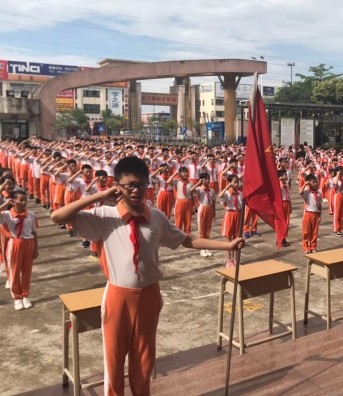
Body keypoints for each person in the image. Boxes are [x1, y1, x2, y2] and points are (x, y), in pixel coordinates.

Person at [50, 156, 244, 396]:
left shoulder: (156, 217)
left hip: (150, 295)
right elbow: (57, 217)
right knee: (114, 358)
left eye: (141, 184)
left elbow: (187, 240)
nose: (136, 190)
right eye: (129, 185)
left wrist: (227, 246)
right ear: (116, 186)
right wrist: (100, 196)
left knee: (144, 357)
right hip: (118, 297)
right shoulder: (104, 216)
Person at [0, 190, 39, 310]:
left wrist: (36, 248)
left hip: (29, 243)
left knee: (27, 271)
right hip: (15, 243)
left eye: (25, 200)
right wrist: (5, 203)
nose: (24, 202)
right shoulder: (6, 214)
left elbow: (34, 232)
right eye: (21, 200)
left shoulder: (31, 214)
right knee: (14, 271)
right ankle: (17, 298)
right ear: (13, 201)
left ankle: (25, 295)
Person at [299, 174, 322, 254]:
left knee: (314, 232)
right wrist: (305, 184)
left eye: (316, 182)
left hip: (316, 214)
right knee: (306, 232)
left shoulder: (319, 193)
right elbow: (300, 192)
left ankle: (313, 247)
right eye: (313, 182)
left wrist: (319, 215)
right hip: (308, 214)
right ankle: (306, 248)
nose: (315, 184)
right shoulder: (307, 192)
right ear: (309, 183)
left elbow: (319, 205)